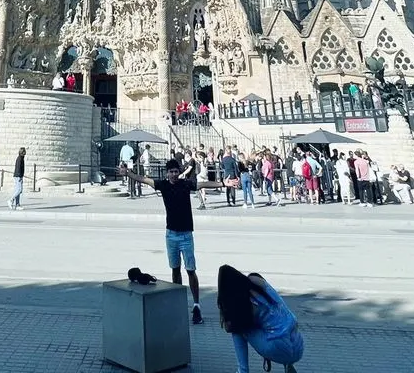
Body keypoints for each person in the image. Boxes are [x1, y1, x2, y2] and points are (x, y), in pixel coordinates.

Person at [125, 158, 204, 324]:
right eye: (171, 172)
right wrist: (129, 173)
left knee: (190, 270)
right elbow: (143, 179)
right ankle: (178, 303)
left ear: (179, 172)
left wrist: (224, 184)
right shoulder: (163, 185)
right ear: (167, 173)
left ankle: (196, 305)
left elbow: (203, 185)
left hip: (186, 235)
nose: (174, 174)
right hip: (171, 235)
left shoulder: (185, 184)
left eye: (176, 171)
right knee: (175, 270)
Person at [217, 265, 304, 373]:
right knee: (275, 323)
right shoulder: (257, 281)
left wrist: (226, 308)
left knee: (237, 329)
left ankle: (242, 371)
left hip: (279, 348)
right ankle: (288, 366)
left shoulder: (244, 304)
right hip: (298, 344)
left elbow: (228, 327)